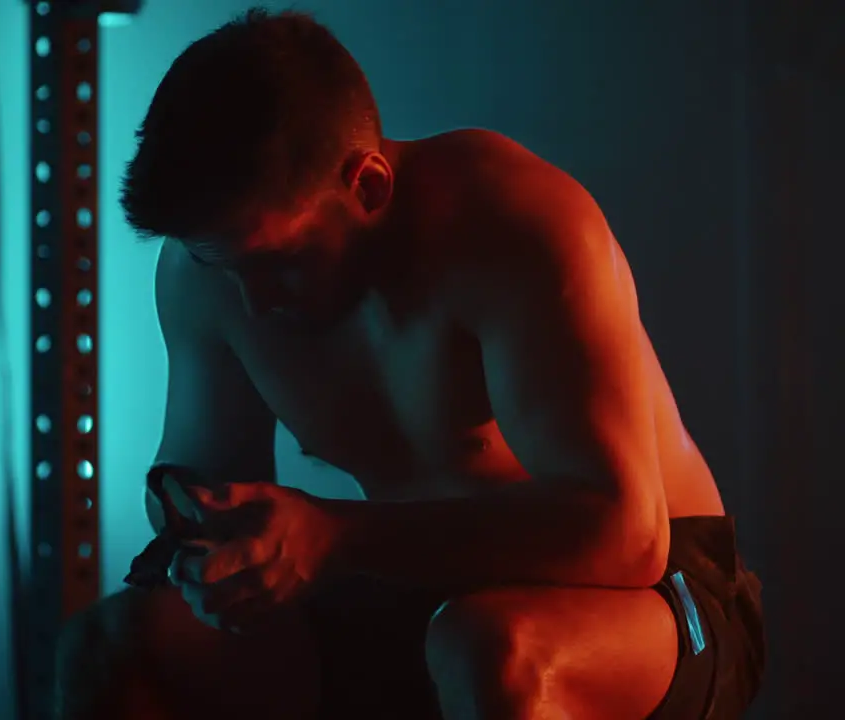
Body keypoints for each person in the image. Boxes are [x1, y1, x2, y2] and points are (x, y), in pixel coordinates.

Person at [56, 8, 765, 720]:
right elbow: (202, 471)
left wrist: (335, 536)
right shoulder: (203, 275)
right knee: (115, 645)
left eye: (278, 262)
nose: (254, 301)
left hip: (651, 594)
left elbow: (627, 538)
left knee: (491, 649)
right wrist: (204, 522)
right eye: (222, 263)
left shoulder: (515, 223)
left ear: (366, 187)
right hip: (406, 581)